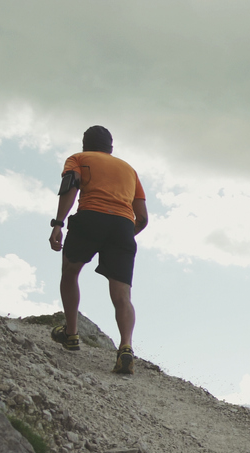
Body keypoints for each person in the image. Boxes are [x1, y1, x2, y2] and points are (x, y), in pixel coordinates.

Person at [48, 125, 148, 374]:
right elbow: (143, 218)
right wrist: (122, 236)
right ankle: (125, 347)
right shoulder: (129, 170)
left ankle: (71, 334)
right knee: (122, 295)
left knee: (70, 272)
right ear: (111, 148)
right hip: (124, 225)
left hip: (90, 217)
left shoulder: (78, 159)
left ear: (85, 144)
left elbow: (70, 188)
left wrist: (59, 224)